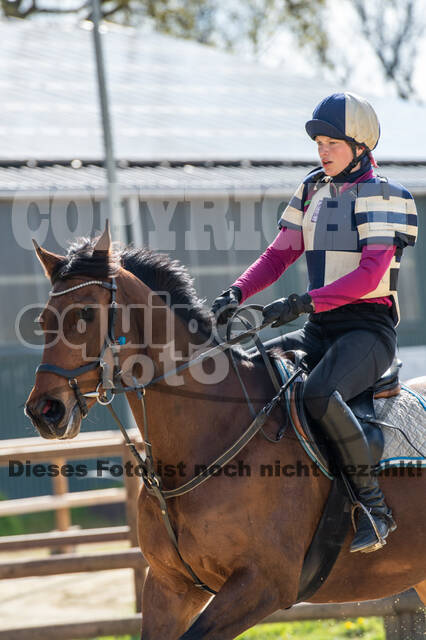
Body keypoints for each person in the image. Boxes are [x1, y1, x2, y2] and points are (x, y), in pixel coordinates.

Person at [211, 92, 418, 553]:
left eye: (333, 143)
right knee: (252, 371)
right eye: (319, 142)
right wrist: (237, 292)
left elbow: (369, 277)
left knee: (320, 394)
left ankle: (373, 507)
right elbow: (279, 254)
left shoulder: (385, 195)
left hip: (367, 331)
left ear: (360, 146)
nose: (323, 151)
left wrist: (302, 302)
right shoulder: (312, 189)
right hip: (321, 329)